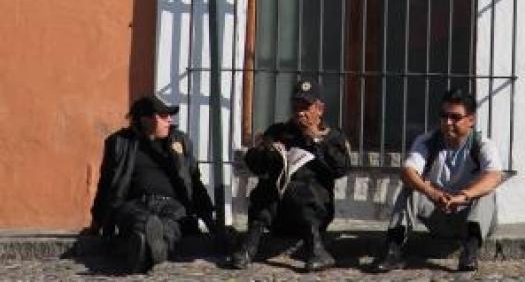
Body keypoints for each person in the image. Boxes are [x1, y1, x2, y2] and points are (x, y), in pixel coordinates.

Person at [373, 89, 503, 274]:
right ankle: (393, 250)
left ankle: (470, 252)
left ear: (471, 120)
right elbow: (408, 172)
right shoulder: (427, 141)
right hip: (438, 212)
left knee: (487, 193)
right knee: (410, 188)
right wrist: (432, 193)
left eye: (455, 117)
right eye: (444, 116)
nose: (448, 122)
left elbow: (494, 176)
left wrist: (463, 196)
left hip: (469, 216)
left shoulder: (482, 144)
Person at [230, 76, 351, 271]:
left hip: (314, 214)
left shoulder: (332, 136)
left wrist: (317, 141)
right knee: (267, 188)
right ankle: (247, 248)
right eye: (296, 107)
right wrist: (267, 153)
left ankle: (317, 251)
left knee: (298, 189)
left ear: (319, 109)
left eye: (306, 107)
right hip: (278, 215)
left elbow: (342, 168)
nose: (300, 113)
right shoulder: (279, 131)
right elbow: (253, 163)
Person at [86, 94, 216, 273]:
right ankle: (155, 250)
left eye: (169, 115)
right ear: (145, 120)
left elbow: (194, 182)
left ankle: (143, 252)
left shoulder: (179, 141)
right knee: (140, 222)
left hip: (172, 205)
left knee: (170, 226)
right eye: (163, 115)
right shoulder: (120, 143)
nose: (169, 119)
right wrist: (96, 224)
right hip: (135, 204)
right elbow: (106, 184)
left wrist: (209, 219)